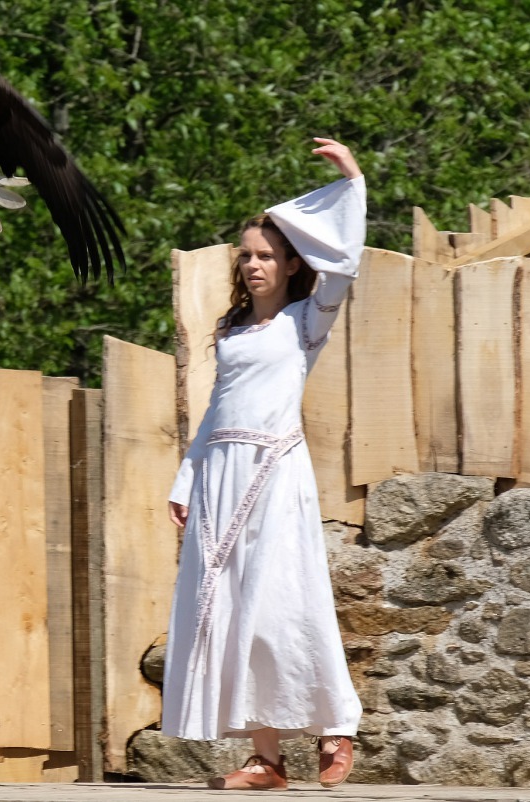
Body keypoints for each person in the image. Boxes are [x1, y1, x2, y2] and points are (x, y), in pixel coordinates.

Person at [163, 138, 365, 791]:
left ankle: (335, 725)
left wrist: (351, 183)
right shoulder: (232, 332)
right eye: (246, 255)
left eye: (267, 255)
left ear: (290, 264)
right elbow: (216, 408)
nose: (254, 265)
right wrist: (187, 476)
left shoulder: (307, 321)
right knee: (232, 612)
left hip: (274, 471)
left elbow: (344, 265)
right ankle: (267, 760)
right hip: (220, 475)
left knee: (283, 602)